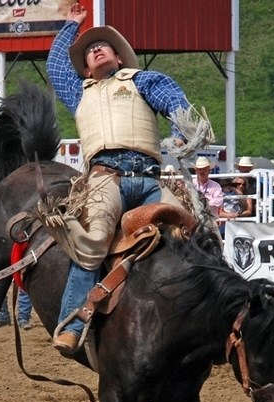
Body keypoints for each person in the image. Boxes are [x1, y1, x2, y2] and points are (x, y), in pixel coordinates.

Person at [45, 2, 193, 354]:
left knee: (190, 231)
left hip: (150, 179)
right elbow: (55, 64)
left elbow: (170, 97)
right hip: (104, 179)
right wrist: (70, 26)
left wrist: (181, 126)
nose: (96, 48)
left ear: (120, 58)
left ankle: (214, 316)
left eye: (103, 45)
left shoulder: (141, 80)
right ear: (84, 68)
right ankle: (73, 323)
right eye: (90, 49)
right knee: (92, 241)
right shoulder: (79, 92)